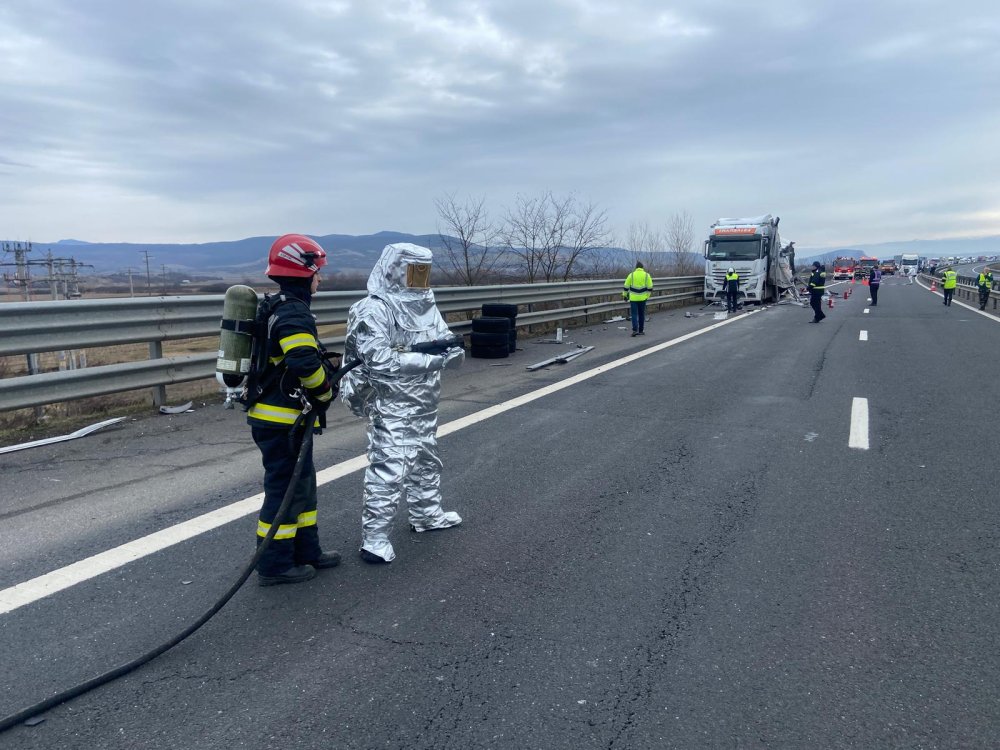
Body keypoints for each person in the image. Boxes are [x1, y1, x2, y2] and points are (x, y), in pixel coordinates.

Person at [341, 243, 465, 564]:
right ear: (396, 269)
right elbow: (379, 360)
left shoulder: (425, 303)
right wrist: (434, 360)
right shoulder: (373, 309)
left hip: (424, 402)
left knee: (425, 461)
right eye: (414, 270)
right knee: (390, 468)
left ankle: (427, 514)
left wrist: (451, 350)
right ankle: (375, 538)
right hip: (391, 403)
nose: (420, 277)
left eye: (424, 270)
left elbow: (445, 339)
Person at [247, 234, 341, 586]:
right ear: (304, 272)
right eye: (317, 272)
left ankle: (305, 551)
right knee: (284, 490)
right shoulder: (292, 312)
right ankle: (274, 565)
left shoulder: (282, 306)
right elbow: (302, 361)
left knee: (302, 486)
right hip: (280, 420)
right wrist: (323, 391)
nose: (320, 278)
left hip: (285, 418)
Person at [622, 261, 653, 336]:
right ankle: (641, 330)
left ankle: (635, 330)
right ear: (642, 267)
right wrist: (647, 296)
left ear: (636, 267)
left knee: (634, 314)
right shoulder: (646, 275)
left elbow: (626, 286)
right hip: (643, 298)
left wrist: (625, 295)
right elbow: (650, 287)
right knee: (641, 314)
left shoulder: (631, 275)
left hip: (633, 299)